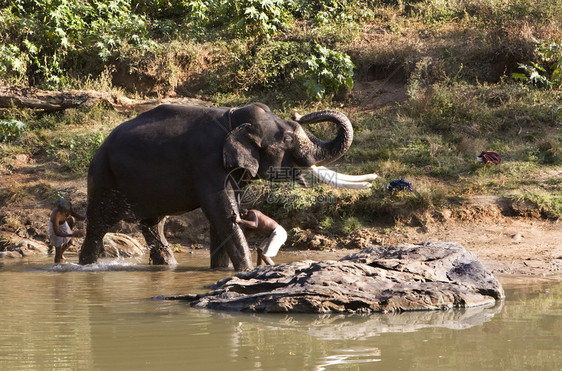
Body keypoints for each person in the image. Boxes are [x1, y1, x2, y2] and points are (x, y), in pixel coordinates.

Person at [48, 198, 86, 263]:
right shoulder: (55, 216)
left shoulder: (68, 205)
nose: (66, 211)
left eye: (67, 209)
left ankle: (61, 254)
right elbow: (57, 233)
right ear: (60, 209)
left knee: (70, 242)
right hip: (55, 227)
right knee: (58, 249)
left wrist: (85, 218)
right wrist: (72, 234)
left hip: (63, 224)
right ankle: (57, 266)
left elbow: (73, 214)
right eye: (64, 210)